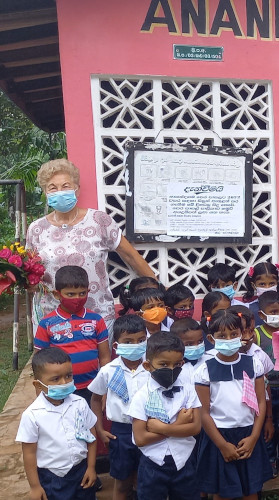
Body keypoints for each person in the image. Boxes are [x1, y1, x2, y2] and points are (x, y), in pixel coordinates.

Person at [26, 159, 155, 332]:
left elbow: (130, 256)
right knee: (54, 360)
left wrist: (157, 287)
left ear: (77, 189)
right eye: (53, 188)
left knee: (98, 360)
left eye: (65, 186)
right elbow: (29, 271)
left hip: (97, 315)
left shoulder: (99, 221)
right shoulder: (37, 229)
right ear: (45, 192)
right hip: (51, 318)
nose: (60, 192)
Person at [195, 310, 273, 499]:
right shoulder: (204, 371)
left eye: (233, 334)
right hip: (219, 436)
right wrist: (222, 445)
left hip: (248, 433)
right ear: (211, 339)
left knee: (251, 491)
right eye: (222, 336)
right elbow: (203, 413)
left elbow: (261, 401)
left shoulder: (254, 364)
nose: (229, 339)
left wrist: (254, 437)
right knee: (222, 493)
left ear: (242, 334)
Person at [127, 332, 202, 500]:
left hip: (184, 460)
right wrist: (179, 425)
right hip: (152, 463)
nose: (171, 369)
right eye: (163, 364)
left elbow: (196, 428)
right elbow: (141, 438)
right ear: (147, 366)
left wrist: (163, 428)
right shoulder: (141, 396)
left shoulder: (188, 389)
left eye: (177, 364)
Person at [17, 347, 98, 500]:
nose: (64, 382)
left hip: (81, 471)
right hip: (53, 478)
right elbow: (29, 453)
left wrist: (91, 467)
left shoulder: (80, 403)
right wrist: (35, 487)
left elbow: (91, 437)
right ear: (38, 385)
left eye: (68, 376)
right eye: (56, 379)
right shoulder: (32, 415)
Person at [88, 315, 149, 500]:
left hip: (149, 429)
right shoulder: (108, 370)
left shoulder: (152, 367)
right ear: (116, 346)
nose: (135, 345)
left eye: (141, 340)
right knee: (122, 483)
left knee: (145, 480)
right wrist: (99, 429)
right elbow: (96, 400)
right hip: (121, 433)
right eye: (128, 342)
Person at [34, 265, 110, 403]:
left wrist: (105, 388)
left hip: (92, 387)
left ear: (88, 291)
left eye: (82, 293)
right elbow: (39, 364)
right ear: (57, 294)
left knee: (91, 422)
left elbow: (104, 358)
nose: (77, 298)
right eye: (70, 294)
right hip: (60, 389)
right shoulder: (46, 324)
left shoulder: (96, 320)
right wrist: (41, 399)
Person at [254, 291, 279, 478]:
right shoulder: (256, 334)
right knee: (267, 428)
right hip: (266, 391)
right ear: (261, 314)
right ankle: (269, 459)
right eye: (273, 311)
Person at [243, 261, 279, 327]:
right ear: (253, 285)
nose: (267, 287)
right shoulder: (250, 309)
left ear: (277, 283)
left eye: (272, 284)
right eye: (262, 284)